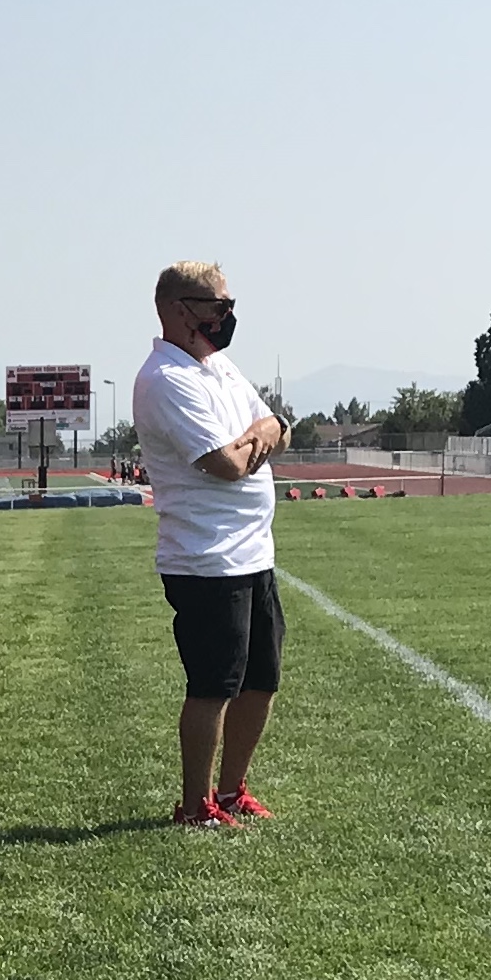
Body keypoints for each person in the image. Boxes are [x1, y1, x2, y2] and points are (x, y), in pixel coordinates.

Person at [133, 261, 285, 827]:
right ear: (178, 309)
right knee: (213, 685)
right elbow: (225, 465)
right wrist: (256, 437)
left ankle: (230, 791)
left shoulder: (218, 367)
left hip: (254, 552)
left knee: (261, 679)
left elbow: (276, 425)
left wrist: (255, 436)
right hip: (206, 558)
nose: (227, 317)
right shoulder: (164, 379)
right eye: (217, 306)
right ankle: (195, 803)